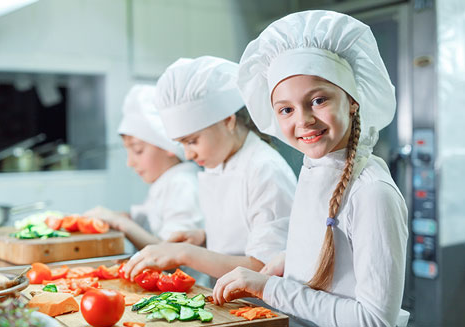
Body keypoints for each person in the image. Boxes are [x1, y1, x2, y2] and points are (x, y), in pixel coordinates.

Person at [212, 10, 409, 327]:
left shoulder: (372, 192)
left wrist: (271, 289)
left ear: (352, 100)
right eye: (286, 109)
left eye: (318, 100)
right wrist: (292, 263)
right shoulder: (316, 167)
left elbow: (373, 320)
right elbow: (342, 261)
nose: (302, 120)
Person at [122, 56, 297, 283]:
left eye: (192, 141)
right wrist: (203, 239)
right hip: (231, 299)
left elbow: (265, 267)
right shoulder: (220, 163)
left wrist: (186, 254)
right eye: (182, 143)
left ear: (228, 121)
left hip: (267, 309)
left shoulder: (264, 169)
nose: (187, 155)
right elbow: (245, 234)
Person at [84, 84, 204, 250]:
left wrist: (121, 223)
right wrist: (115, 217)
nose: (130, 162)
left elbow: (174, 252)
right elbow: (146, 217)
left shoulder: (183, 184)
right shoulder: (166, 180)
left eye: (137, 150)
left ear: (168, 146)